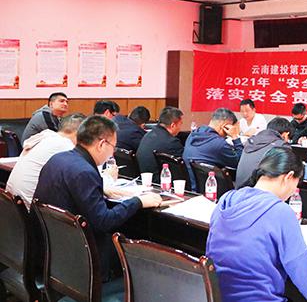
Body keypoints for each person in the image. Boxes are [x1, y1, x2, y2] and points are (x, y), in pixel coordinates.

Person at [207, 147, 307, 302]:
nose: (294, 191)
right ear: (289, 177)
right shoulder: (280, 211)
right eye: (296, 184)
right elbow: (304, 273)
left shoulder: (226, 200)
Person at [34, 115, 162, 280]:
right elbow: (104, 221)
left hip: (54, 249)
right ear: (102, 144)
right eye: (113, 147)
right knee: (146, 251)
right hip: (82, 257)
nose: (113, 152)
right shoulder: (84, 171)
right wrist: (138, 201)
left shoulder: (58, 159)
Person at [7, 113, 86, 207]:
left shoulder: (45, 137)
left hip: (10, 206)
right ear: (80, 133)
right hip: (30, 210)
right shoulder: (66, 146)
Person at [183, 108, 243, 191]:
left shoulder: (193, 134)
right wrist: (235, 137)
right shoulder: (219, 144)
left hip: (191, 188)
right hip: (211, 189)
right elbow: (239, 162)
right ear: (225, 126)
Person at [235, 117, 292, 188]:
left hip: (239, 190)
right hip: (258, 192)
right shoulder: (281, 145)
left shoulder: (251, 141)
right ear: (286, 134)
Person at [136, 106, 184, 177]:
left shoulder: (148, 135)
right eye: (181, 124)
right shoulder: (172, 142)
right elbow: (183, 167)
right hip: (159, 181)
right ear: (173, 125)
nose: (180, 128)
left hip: (143, 177)